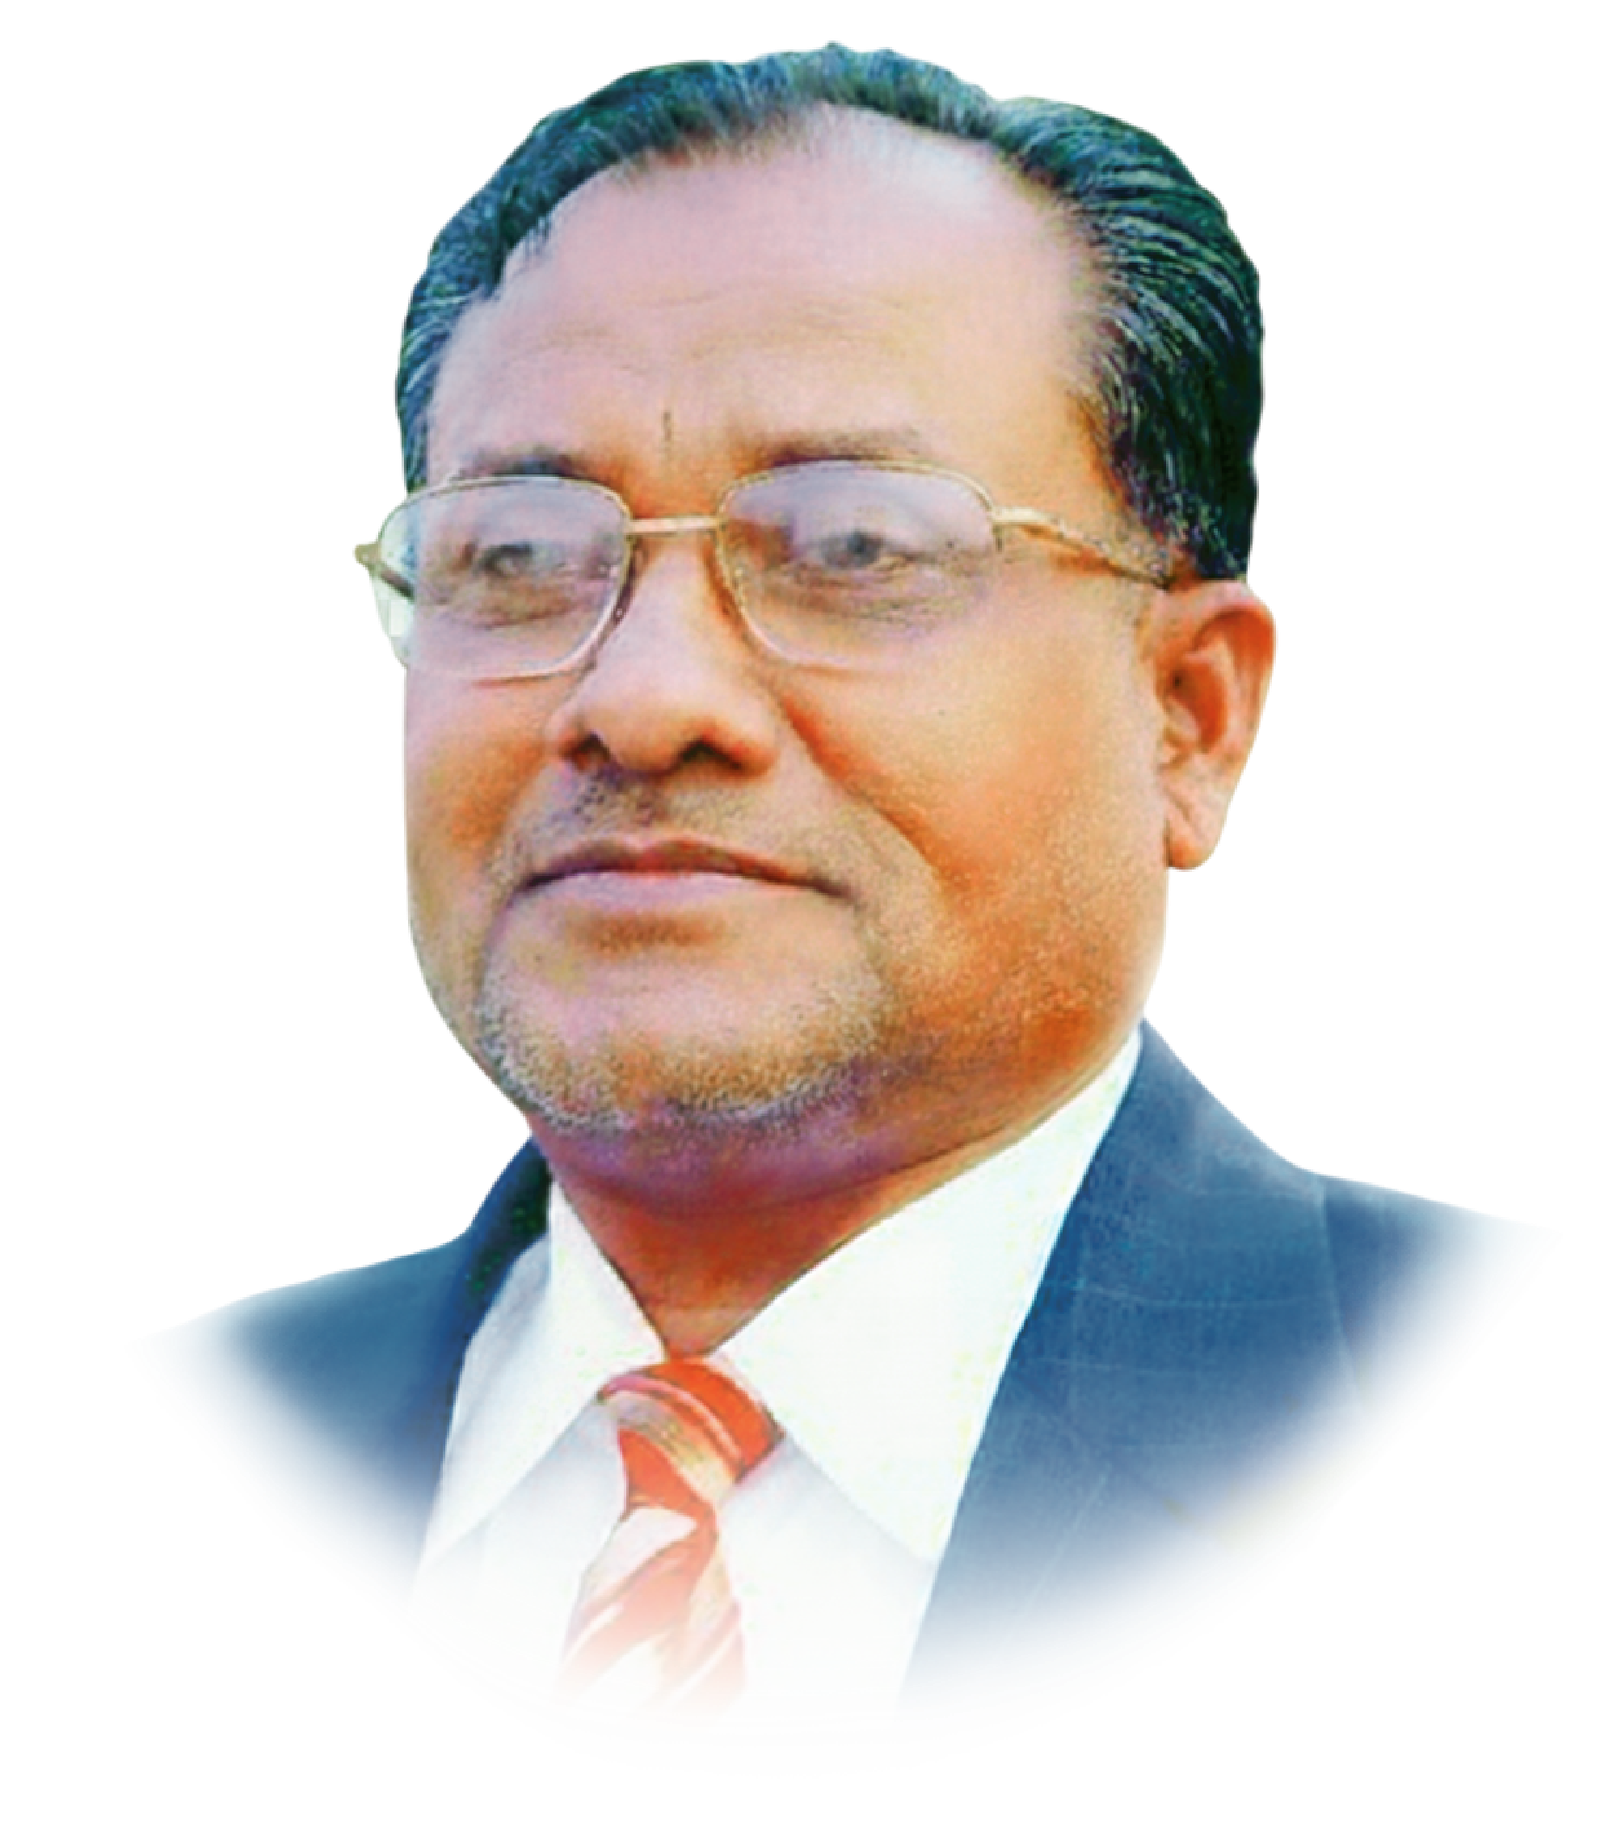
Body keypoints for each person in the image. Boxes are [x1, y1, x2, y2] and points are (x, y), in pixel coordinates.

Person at [133, 47, 1556, 1745]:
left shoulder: (1436, 1370)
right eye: (516, 556)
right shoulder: (225, 1415)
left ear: (1189, 719)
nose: (643, 702)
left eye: (854, 549)